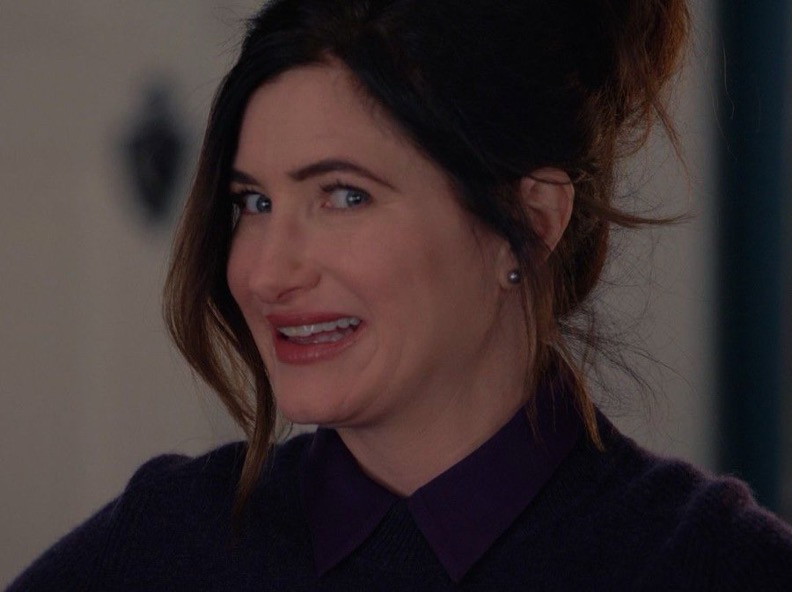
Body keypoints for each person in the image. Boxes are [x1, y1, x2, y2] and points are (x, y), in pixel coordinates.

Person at [9, 0, 792, 590]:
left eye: (344, 195)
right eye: (255, 202)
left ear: (531, 220)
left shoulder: (712, 566)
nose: (267, 273)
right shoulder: (164, 545)